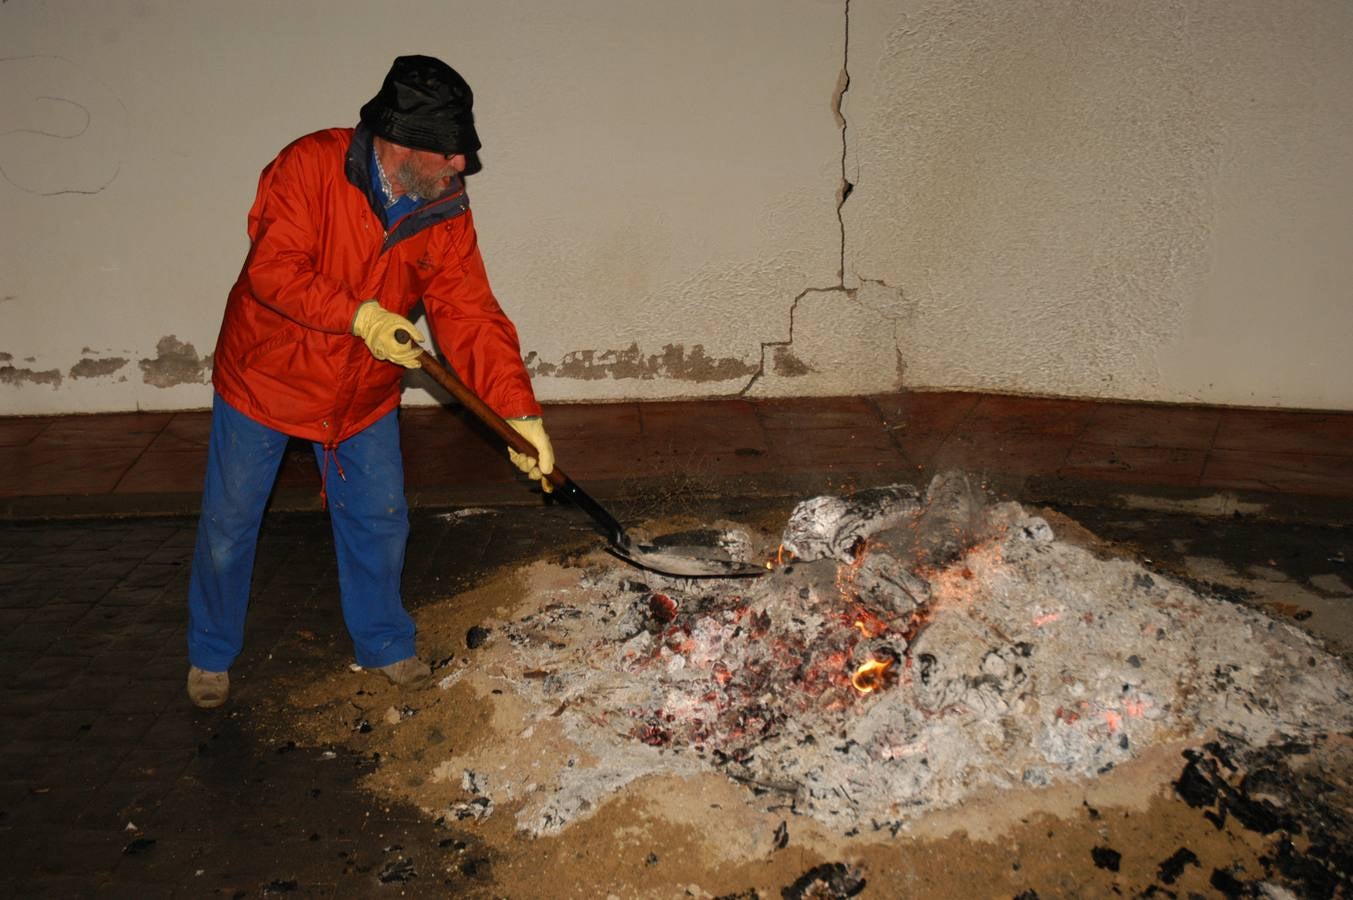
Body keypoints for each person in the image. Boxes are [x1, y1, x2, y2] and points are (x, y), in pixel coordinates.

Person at [185, 55, 554, 709]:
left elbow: (468, 311)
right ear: (399, 143)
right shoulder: (307, 167)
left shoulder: (441, 204)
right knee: (229, 524)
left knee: (380, 520)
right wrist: (357, 315)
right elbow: (272, 270)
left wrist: (517, 413)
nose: (461, 166)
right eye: (449, 153)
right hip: (267, 378)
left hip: (361, 392)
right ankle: (211, 653)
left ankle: (385, 643)